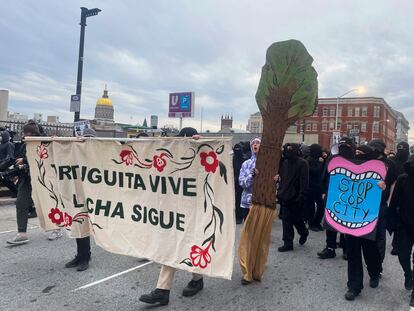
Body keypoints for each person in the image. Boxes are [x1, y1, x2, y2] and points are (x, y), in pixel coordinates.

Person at [139, 127, 203, 306]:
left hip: (192, 211)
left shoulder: (199, 154)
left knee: (187, 245)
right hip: (175, 210)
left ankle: (191, 281)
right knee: (173, 247)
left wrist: (200, 143)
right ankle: (165, 289)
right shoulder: (173, 158)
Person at [344, 144, 384, 301]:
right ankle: (354, 286)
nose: (357, 155)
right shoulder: (349, 169)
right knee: (353, 252)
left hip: (369, 218)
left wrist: (383, 187)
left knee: (370, 249)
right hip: (351, 218)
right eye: (356, 153)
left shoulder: (379, 171)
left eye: (361, 153)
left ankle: (374, 272)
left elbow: (386, 194)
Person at [317, 137, 356, 260]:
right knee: (330, 222)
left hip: (348, 196)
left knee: (346, 224)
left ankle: (346, 248)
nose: (343, 150)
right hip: (332, 194)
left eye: (346, 147)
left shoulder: (356, 160)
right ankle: (330, 247)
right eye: (341, 147)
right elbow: (325, 175)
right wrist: (323, 192)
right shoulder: (332, 159)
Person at [65, 127, 97, 271]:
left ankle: (85, 256)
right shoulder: (76, 151)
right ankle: (80, 255)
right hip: (77, 192)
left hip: (91, 194)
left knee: (83, 225)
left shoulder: (98, 153)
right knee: (78, 223)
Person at [6, 122, 40, 245]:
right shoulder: (23, 144)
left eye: (27, 132)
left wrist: (25, 160)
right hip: (26, 177)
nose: (25, 135)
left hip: (40, 177)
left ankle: (56, 227)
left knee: (46, 203)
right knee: (21, 202)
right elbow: (17, 157)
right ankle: (22, 233)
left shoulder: (40, 142)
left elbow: (42, 157)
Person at [389, 155, 414, 307]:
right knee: (403, 255)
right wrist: (392, 223)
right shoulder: (402, 179)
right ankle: (408, 274)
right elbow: (394, 202)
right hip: (404, 225)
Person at [368, 139, 398, 265]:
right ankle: (371, 262)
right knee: (368, 235)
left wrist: (390, 203)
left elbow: (394, 185)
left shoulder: (390, 164)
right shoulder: (367, 161)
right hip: (366, 203)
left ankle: (378, 264)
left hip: (381, 204)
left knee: (380, 236)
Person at [277, 143, 309, 252]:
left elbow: (304, 181)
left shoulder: (303, 163)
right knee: (286, 220)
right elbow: (282, 178)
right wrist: (280, 192)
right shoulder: (285, 162)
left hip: (296, 196)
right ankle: (288, 242)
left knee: (296, 219)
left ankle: (303, 232)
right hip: (285, 195)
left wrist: (302, 195)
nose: (288, 152)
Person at [390, 141, 410, 256]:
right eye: (399, 148)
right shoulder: (392, 162)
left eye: (403, 148)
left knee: (403, 220)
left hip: (406, 193)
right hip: (394, 193)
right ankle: (396, 243)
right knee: (396, 219)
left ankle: (399, 243)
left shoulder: (409, 162)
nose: (401, 150)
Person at [239, 138, 261, 222]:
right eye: (253, 143)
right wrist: (251, 176)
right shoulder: (246, 164)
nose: (255, 144)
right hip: (247, 202)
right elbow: (241, 182)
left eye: (257, 143)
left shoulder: (266, 163)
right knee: (247, 229)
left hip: (261, 202)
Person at [305, 144, 325, 231]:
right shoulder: (308, 160)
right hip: (310, 187)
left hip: (318, 187)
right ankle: (311, 223)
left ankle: (317, 222)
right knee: (310, 207)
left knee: (321, 206)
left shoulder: (319, 159)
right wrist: (320, 163)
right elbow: (314, 171)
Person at [233, 143, 245, 224]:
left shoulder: (243, 160)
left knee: (239, 200)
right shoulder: (233, 159)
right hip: (234, 181)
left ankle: (239, 216)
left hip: (240, 182)